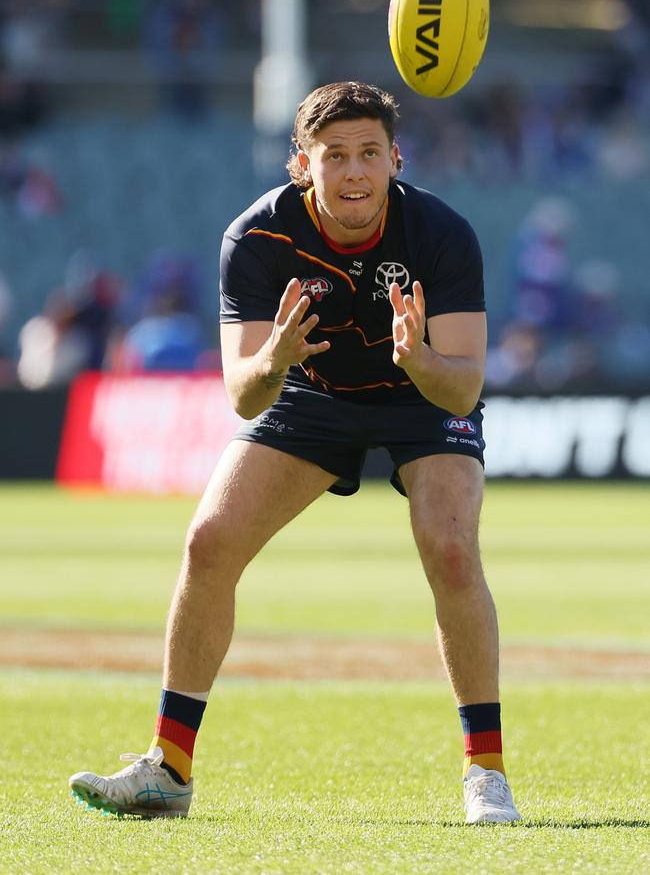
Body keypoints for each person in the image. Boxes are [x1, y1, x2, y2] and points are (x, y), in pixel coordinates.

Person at [69, 81, 521, 824]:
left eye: (369, 153)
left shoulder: (442, 233)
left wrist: (420, 363)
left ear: (395, 159)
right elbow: (244, 395)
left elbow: (463, 389)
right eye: (334, 155)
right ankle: (169, 768)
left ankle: (486, 774)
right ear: (300, 165)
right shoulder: (254, 240)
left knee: (449, 550)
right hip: (308, 393)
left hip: (422, 394)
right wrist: (275, 359)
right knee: (209, 542)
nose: (353, 172)